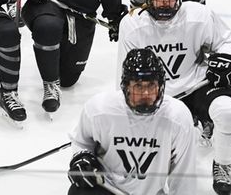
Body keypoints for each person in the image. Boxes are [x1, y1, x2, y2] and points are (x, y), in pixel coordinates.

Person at [118, 0, 231, 195]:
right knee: (157, 154)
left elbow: (228, 40)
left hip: (197, 84)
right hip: (157, 95)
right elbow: (123, 75)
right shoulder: (132, 24)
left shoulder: (199, 15)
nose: (165, 1)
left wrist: (224, 59)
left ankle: (223, 163)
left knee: (229, 113)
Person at [68, 48, 196, 194]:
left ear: (160, 87)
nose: (146, 93)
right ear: (126, 87)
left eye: (151, 86)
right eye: (139, 86)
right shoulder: (99, 110)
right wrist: (82, 157)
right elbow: (81, 142)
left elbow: (184, 174)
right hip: (108, 188)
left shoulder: (177, 117)